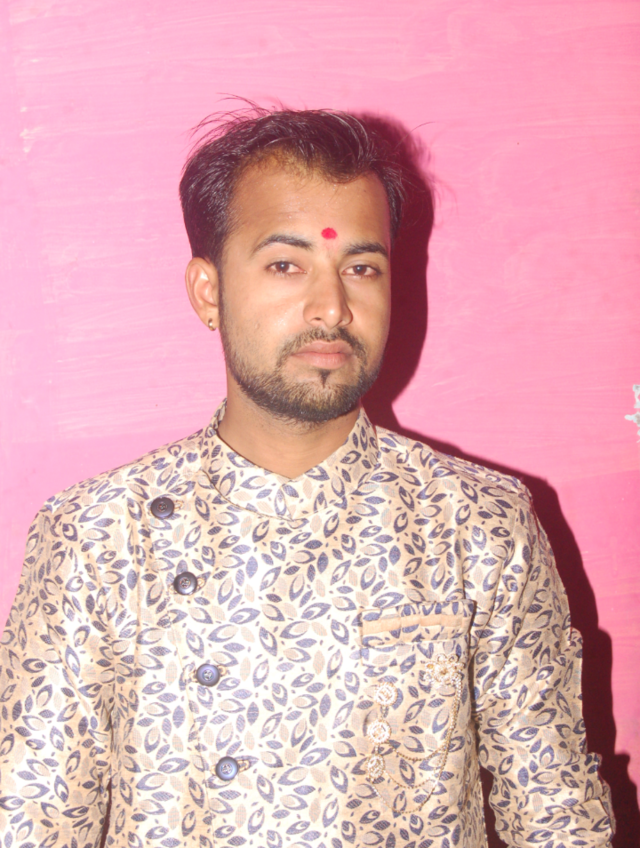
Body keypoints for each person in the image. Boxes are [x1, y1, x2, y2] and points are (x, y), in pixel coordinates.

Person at [0, 108, 615, 848]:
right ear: (208, 290)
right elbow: (29, 822)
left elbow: (557, 816)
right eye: (286, 265)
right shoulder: (100, 536)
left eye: (361, 268)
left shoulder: (479, 525)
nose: (332, 307)